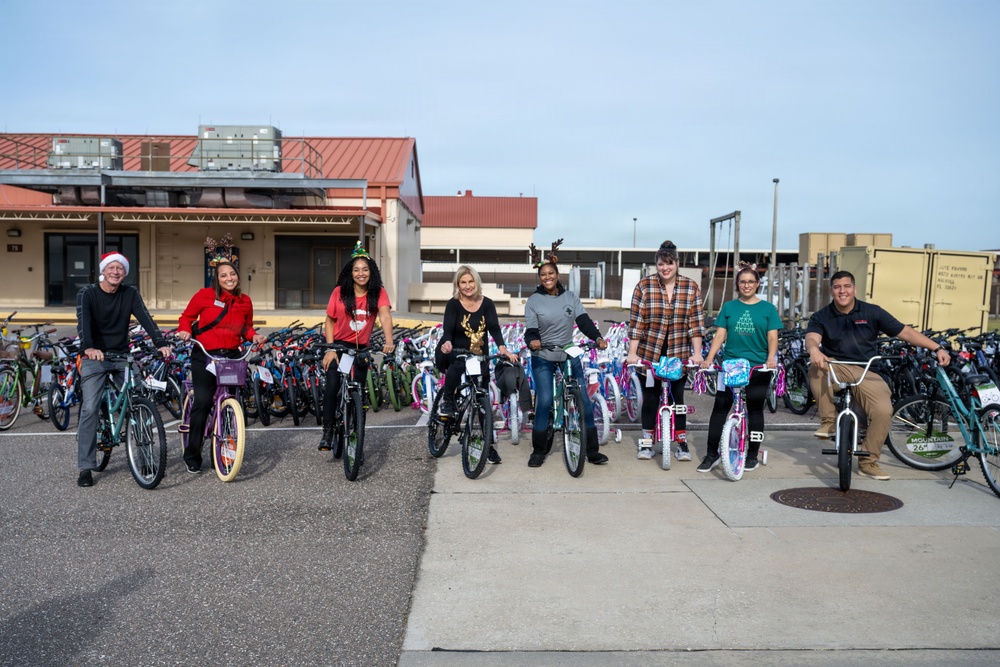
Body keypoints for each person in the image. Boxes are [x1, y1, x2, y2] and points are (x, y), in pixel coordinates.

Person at [806, 270, 950, 480]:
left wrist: (937, 348)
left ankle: (868, 462)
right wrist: (814, 350)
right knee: (817, 368)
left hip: (868, 370)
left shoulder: (872, 312)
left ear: (854, 289)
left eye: (847, 286)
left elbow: (906, 332)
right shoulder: (821, 316)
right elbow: (811, 337)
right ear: (832, 291)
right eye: (837, 287)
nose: (842, 291)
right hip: (837, 367)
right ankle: (829, 422)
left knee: (883, 411)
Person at [75, 251, 172, 487]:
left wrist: (160, 342)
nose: (116, 272)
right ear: (103, 270)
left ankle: (145, 458)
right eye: (112, 268)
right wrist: (88, 347)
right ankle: (86, 467)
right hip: (94, 356)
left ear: (125, 272)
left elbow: (145, 318)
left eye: (120, 268)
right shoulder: (87, 293)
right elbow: (83, 322)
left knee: (140, 401)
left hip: (121, 356)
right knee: (89, 408)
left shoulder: (130, 293)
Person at [177, 250, 266, 473]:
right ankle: (192, 453)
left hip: (232, 355)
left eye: (232, 274)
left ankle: (227, 442)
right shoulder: (204, 295)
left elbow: (246, 327)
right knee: (204, 400)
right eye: (223, 275)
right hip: (206, 354)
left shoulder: (245, 301)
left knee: (234, 397)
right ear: (217, 278)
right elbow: (186, 318)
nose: (229, 278)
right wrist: (185, 331)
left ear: (237, 276)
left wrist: (254, 336)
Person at [524, 240, 609, 468]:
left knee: (583, 400)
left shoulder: (571, 297)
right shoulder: (533, 301)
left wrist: (598, 338)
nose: (547, 277)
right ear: (539, 277)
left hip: (568, 353)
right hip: (543, 354)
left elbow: (583, 322)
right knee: (543, 401)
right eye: (543, 274)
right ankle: (539, 450)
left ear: (557, 273)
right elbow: (530, 329)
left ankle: (592, 451)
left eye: (550, 273)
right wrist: (532, 341)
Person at [626, 240, 705, 462]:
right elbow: (637, 322)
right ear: (656, 265)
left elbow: (695, 323)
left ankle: (681, 443)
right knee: (651, 398)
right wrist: (633, 354)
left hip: (678, 352)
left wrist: (697, 353)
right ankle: (646, 442)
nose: (665, 268)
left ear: (677, 264)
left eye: (670, 263)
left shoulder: (691, 287)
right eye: (661, 264)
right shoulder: (644, 286)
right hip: (650, 352)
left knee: (677, 398)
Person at [698, 263, 781, 473]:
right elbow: (719, 335)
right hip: (731, 366)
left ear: (758, 284)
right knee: (720, 408)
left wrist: (771, 358)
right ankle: (711, 454)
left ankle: (752, 453)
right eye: (743, 281)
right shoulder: (729, 307)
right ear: (737, 284)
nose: (747, 285)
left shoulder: (768, 309)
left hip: (758, 367)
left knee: (754, 409)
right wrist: (708, 359)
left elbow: (773, 337)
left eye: (751, 281)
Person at [435, 265, 518, 464]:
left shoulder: (487, 303)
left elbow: (494, 328)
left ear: (476, 282)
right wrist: (447, 342)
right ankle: (447, 400)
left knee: (483, 404)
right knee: (456, 368)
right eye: (463, 282)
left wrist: (503, 348)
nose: (467, 286)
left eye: (470, 281)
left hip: (480, 356)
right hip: (456, 352)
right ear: (458, 284)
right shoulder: (453, 304)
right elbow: (447, 329)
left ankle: (488, 447)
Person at [318, 242, 394, 452]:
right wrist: (331, 348)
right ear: (350, 273)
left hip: (362, 349)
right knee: (333, 384)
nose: (361, 274)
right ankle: (328, 431)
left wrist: (389, 340)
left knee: (358, 391)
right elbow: (330, 320)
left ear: (372, 272)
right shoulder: (340, 292)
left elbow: (385, 315)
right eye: (356, 270)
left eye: (365, 269)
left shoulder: (378, 292)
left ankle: (355, 431)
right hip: (340, 346)